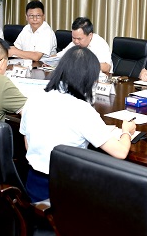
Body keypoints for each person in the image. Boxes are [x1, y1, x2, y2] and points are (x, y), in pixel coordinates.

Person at [19, 47, 135, 203]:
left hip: (34, 187)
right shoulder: (82, 110)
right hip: (67, 192)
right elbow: (120, 152)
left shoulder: (34, 98)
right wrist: (126, 131)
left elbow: (28, 145)